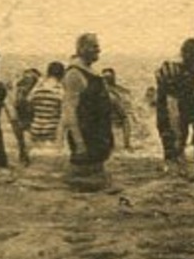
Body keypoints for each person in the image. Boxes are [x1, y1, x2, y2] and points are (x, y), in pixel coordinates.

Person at [60, 33, 114, 178]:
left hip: (97, 139)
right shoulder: (75, 74)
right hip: (86, 141)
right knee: (84, 180)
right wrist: (79, 144)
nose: (99, 50)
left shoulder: (92, 73)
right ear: (82, 48)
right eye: (95, 46)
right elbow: (69, 111)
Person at [154, 38, 194, 168]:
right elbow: (172, 105)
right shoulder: (173, 70)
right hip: (169, 111)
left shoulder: (191, 67)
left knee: (180, 147)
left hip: (183, 106)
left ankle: (179, 167)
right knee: (173, 148)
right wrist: (176, 134)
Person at [27, 62, 66, 144]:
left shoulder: (37, 89)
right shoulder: (60, 90)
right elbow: (63, 112)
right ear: (62, 74)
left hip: (36, 128)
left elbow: (29, 103)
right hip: (52, 129)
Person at [102, 68, 135, 150]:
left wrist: (127, 143)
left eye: (108, 78)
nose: (106, 81)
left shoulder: (117, 94)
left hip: (118, 123)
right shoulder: (100, 93)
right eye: (105, 78)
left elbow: (125, 117)